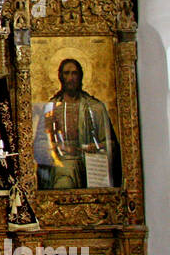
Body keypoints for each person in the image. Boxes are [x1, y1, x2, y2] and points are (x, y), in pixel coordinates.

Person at [33, 58, 121, 189]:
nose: (70, 78)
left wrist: (90, 148)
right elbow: (39, 145)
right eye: (66, 73)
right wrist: (56, 147)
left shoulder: (95, 107)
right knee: (65, 175)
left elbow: (111, 145)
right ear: (60, 77)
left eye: (74, 73)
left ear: (80, 76)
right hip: (61, 163)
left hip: (89, 163)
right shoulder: (51, 108)